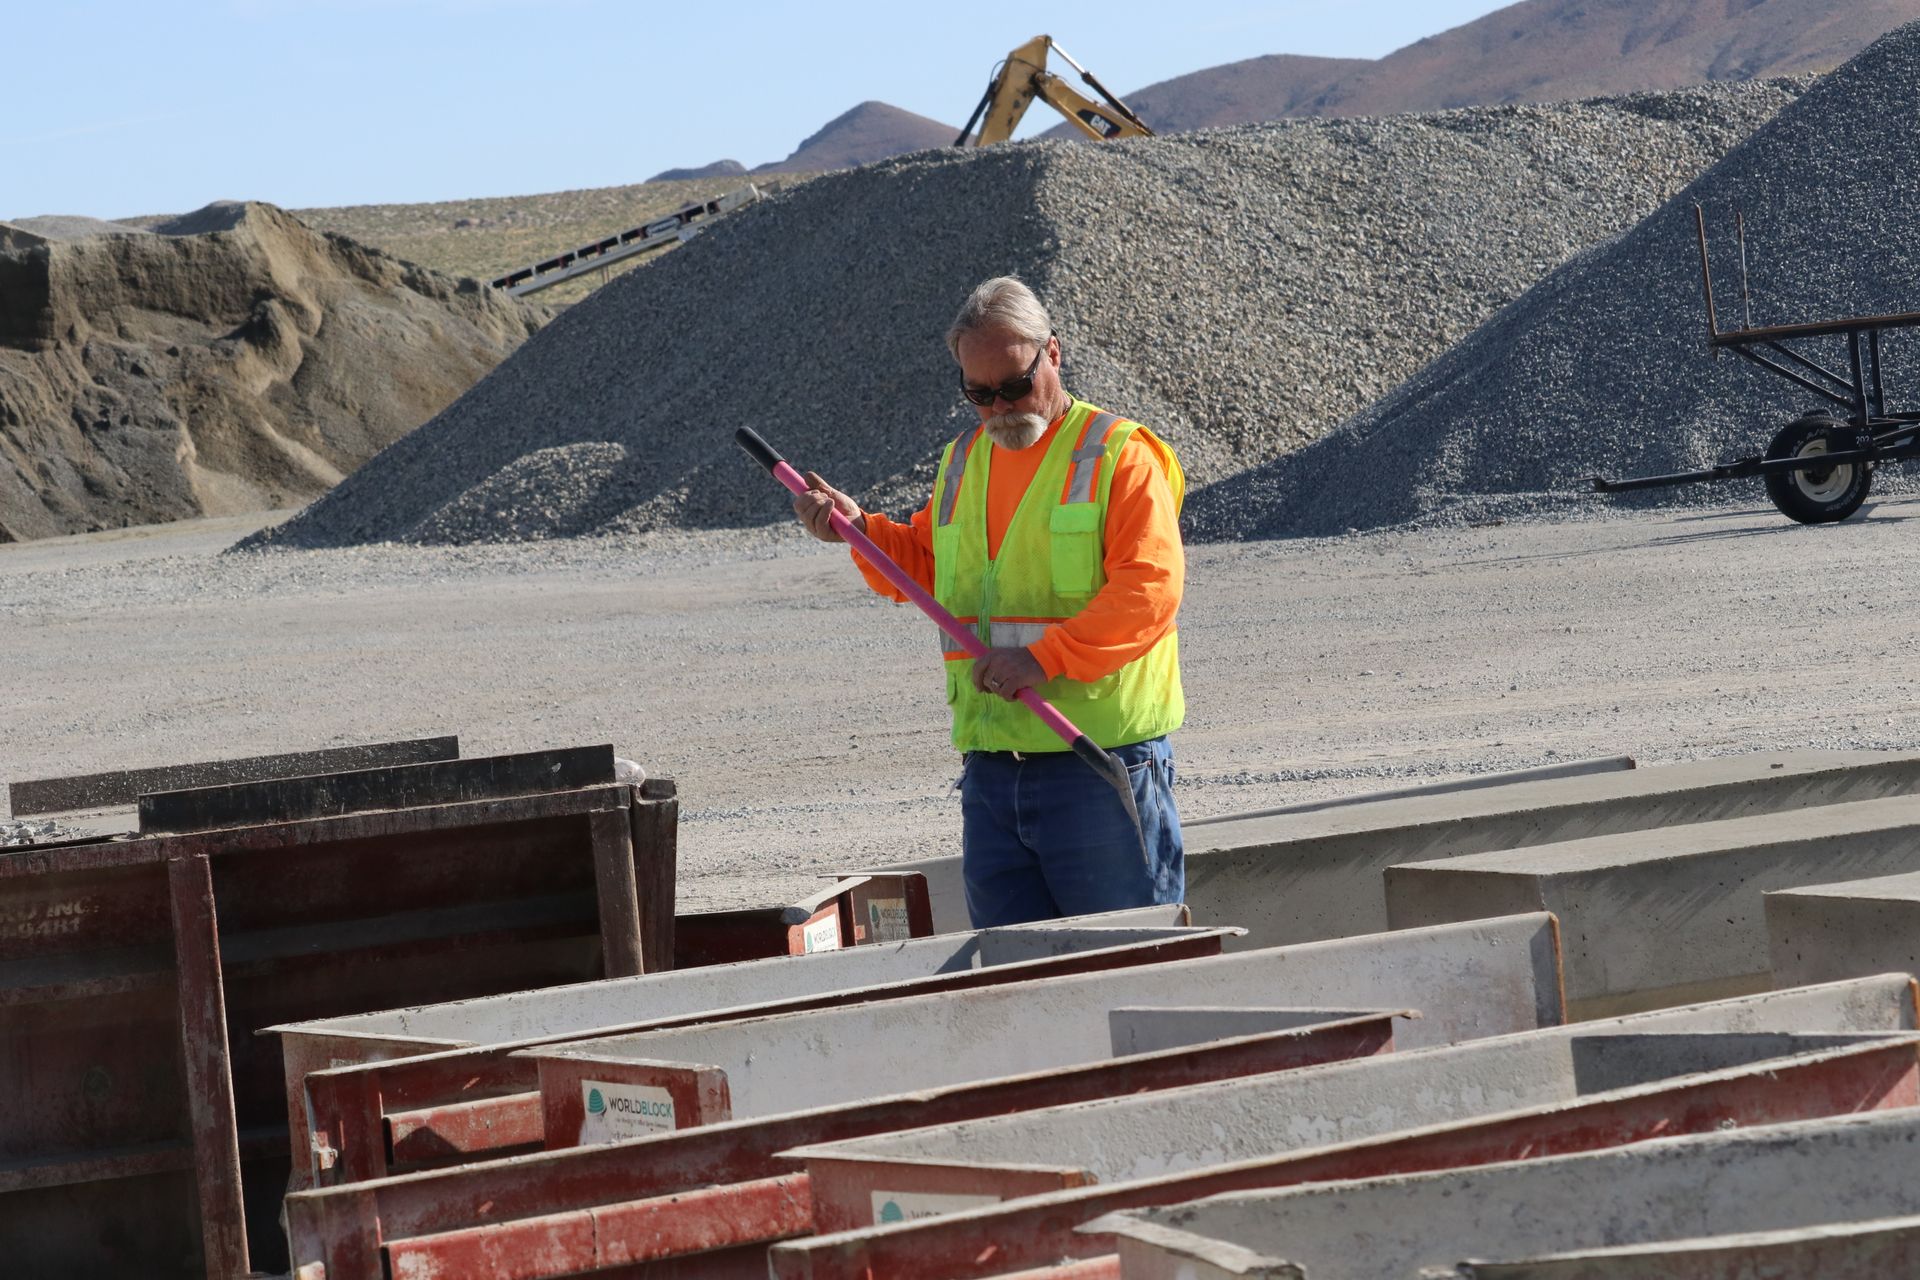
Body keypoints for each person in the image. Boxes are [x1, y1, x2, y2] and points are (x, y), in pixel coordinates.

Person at [792, 276, 1187, 926]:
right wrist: (860, 530)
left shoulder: (1119, 455)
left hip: (1098, 763)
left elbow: (1150, 589)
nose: (1001, 408)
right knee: (1011, 983)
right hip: (993, 772)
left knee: (1127, 966)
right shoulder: (965, 458)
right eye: (980, 394)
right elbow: (923, 566)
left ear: (1052, 355)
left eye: (1015, 386)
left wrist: (1046, 657)